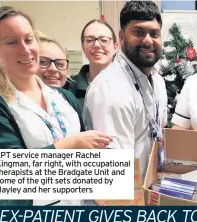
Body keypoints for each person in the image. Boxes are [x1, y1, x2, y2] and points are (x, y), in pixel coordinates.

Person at [0, 6, 113, 206]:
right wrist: (70, 144)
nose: (25, 49)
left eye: (28, 39)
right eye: (12, 42)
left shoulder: (64, 97)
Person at [83, 1, 167, 180]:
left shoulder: (158, 82)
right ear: (121, 38)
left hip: (147, 187)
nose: (147, 40)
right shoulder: (110, 89)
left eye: (154, 33)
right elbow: (115, 175)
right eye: (138, 32)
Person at [68, 19, 118, 105]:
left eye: (104, 40)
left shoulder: (130, 84)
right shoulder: (69, 86)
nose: (97, 45)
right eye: (89, 40)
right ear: (83, 47)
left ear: (115, 47)